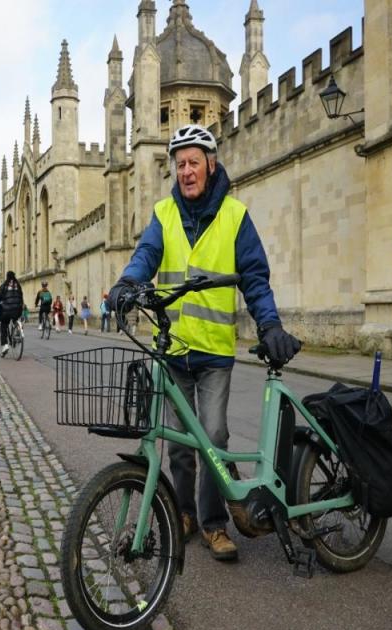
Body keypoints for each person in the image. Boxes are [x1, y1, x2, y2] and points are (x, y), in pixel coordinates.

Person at [108, 124, 300, 562]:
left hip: (213, 351)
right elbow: (146, 256)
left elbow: (254, 275)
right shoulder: (163, 213)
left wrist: (269, 324)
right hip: (173, 348)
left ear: (211, 165)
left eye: (194, 162)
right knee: (178, 441)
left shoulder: (234, 215)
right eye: (180, 165)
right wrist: (127, 282)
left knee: (212, 436)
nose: (187, 172)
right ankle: (184, 513)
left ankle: (215, 525)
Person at [0, 271, 24, 356]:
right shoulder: (18, 285)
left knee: (4, 325)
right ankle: (17, 331)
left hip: (7, 311)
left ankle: (5, 345)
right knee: (15, 319)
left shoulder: (4, 285)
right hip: (17, 310)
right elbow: (21, 297)